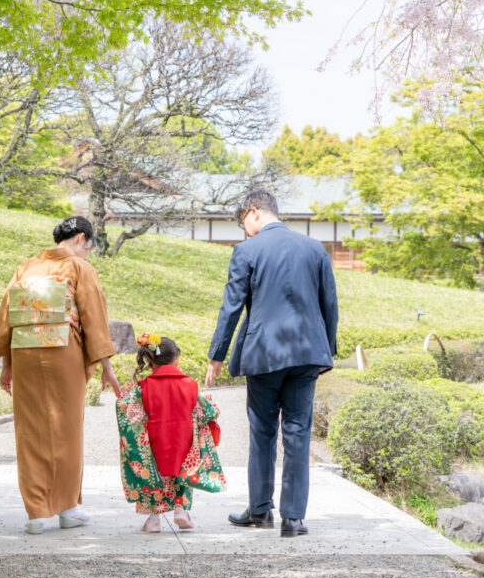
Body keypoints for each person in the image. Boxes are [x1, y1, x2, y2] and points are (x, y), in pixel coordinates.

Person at [205, 189, 338, 537]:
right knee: (298, 432)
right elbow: (330, 304)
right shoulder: (314, 248)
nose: (243, 231)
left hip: (263, 354)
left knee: (263, 432)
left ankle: (260, 510)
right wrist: (327, 348)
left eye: (242, 223)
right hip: (308, 353)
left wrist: (216, 355)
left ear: (253, 213)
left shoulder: (247, 251)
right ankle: (293, 519)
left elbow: (231, 305)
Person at [0, 215, 122, 533]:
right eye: (88, 246)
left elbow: (10, 316)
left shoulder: (26, 267)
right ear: (80, 239)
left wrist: (6, 364)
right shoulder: (79, 267)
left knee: (30, 430)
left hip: (23, 352)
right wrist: (107, 368)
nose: (87, 252)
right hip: (62, 352)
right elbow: (93, 317)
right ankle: (68, 508)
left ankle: (37, 514)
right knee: (66, 428)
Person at [116, 333, 226, 533]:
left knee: (153, 477)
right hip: (184, 441)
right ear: (177, 359)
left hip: (155, 442)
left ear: (151, 363)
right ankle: (181, 510)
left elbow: (131, 414)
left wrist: (125, 396)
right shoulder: (190, 385)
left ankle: (153, 519)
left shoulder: (145, 387)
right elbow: (207, 411)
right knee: (183, 471)